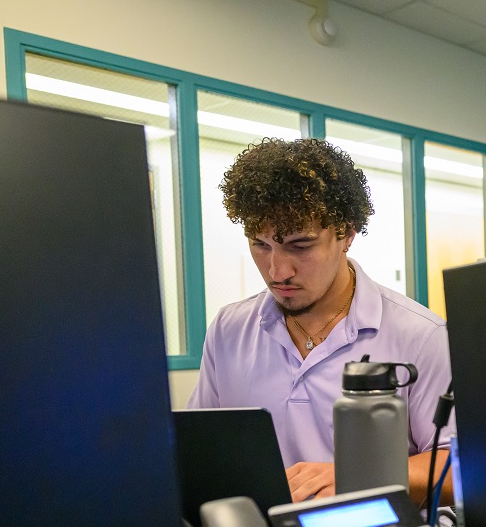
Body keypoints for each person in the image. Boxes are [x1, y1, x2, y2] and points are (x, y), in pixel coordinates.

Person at [187, 138, 454, 505]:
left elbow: (460, 467)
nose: (277, 270)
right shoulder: (228, 329)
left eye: (300, 245)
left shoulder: (421, 336)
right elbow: (197, 452)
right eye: (260, 244)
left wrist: (359, 478)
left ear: (346, 233)